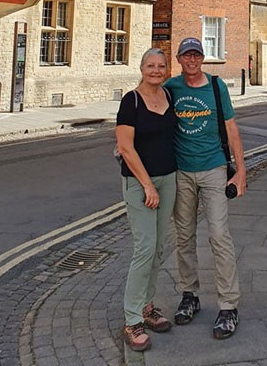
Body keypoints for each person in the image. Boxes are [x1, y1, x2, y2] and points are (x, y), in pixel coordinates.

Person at [165, 37, 247, 340]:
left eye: (196, 55)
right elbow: (148, 111)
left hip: (213, 169)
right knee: (183, 236)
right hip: (181, 172)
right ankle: (190, 295)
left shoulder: (216, 86)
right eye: (186, 55)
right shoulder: (171, 88)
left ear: (202, 58)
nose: (192, 60)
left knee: (219, 236)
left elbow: (231, 128)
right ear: (179, 59)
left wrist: (241, 171)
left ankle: (228, 306)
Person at [116, 48, 177, 352]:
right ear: (141, 68)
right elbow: (125, 147)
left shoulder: (169, 97)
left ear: (167, 70)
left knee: (159, 247)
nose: (155, 69)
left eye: (161, 65)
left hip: (169, 180)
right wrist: (147, 185)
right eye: (150, 65)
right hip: (141, 184)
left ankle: (147, 306)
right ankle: (131, 319)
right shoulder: (132, 101)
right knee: (145, 247)